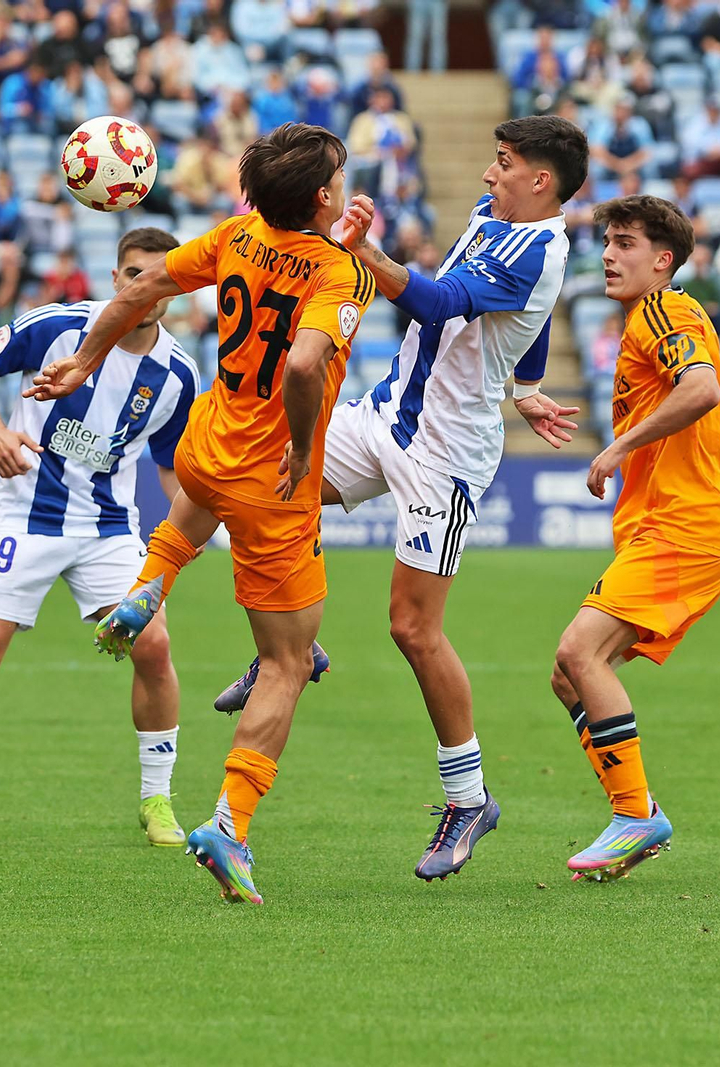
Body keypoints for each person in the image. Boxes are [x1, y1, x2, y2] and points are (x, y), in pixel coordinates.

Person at [213, 116, 588, 882]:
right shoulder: (495, 218)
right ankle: (291, 647)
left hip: (444, 456)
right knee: (263, 484)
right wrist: (526, 384)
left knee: (413, 628)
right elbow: (531, 312)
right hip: (388, 413)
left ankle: (469, 799)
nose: (488, 174)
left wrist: (367, 254)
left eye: (503, 162)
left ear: (540, 180)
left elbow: (442, 303)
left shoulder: (539, 247)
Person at [22, 124, 375, 905]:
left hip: (204, 449)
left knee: (194, 510)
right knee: (288, 662)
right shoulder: (343, 275)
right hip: (270, 488)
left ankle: (147, 587)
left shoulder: (235, 236)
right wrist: (302, 446)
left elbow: (140, 290)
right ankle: (229, 824)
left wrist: (82, 361)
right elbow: (307, 360)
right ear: (323, 196)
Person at [0, 228, 200, 854]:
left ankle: (157, 799)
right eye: (133, 274)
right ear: (115, 279)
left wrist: (190, 521)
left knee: (153, 645)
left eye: (159, 278)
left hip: (109, 529)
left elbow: (171, 463)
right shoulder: (59, 327)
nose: (144, 288)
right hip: (24, 517)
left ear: (177, 288)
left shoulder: (179, 373)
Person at [548, 194, 720, 882]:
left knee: (579, 650)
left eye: (625, 244)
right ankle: (638, 813)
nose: (608, 254)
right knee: (568, 674)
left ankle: (635, 815)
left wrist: (618, 447)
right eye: (607, 242)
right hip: (684, 527)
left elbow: (702, 392)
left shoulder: (663, 310)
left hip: (681, 529)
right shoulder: (661, 319)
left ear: (663, 261)